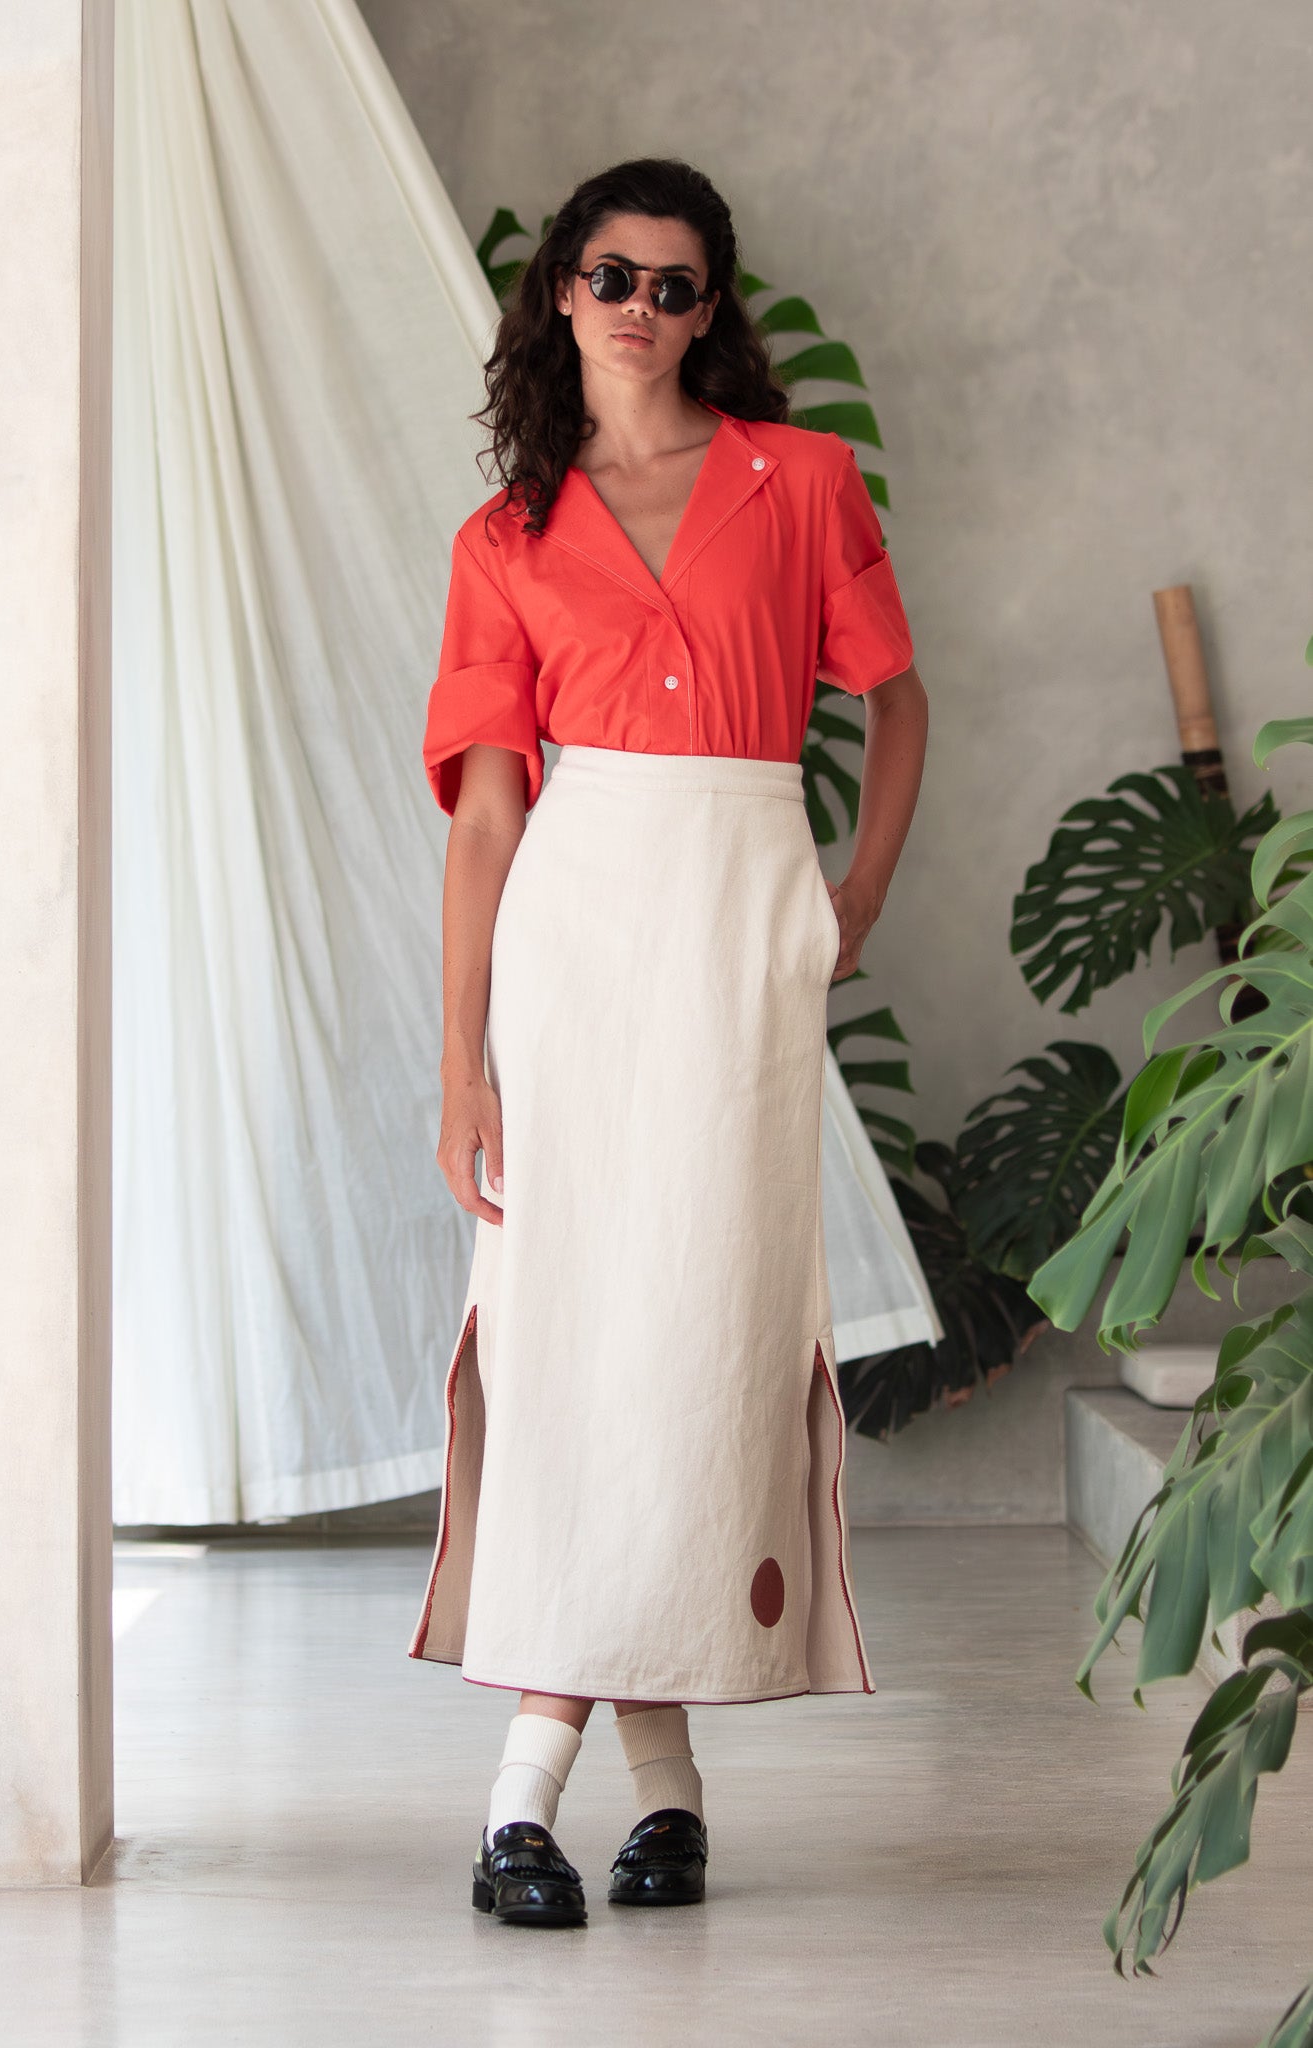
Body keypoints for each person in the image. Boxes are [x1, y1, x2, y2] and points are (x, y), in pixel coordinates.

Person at [413, 157, 929, 1929]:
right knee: (570, 1347)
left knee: (695, 1341)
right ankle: (595, 1796)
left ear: (717, 309)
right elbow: (486, 823)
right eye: (613, 278)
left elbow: (895, 695)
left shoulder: (803, 484)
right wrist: (464, 1062)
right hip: (572, 951)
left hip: (734, 946)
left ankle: (579, 1801)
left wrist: (846, 894)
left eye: (680, 285)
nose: (643, 309)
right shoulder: (507, 536)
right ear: (561, 291)